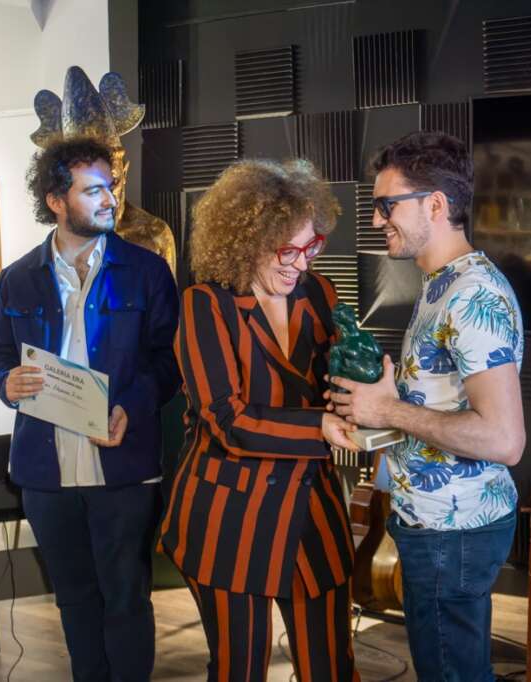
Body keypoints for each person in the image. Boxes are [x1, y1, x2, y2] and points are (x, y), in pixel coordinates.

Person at [328, 131, 526, 682]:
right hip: (436, 526)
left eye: (386, 205)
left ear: (435, 205)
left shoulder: (472, 294)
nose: (376, 220)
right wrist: (383, 403)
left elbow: (504, 439)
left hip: (452, 533)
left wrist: (389, 413)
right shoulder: (443, 283)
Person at [0, 137, 179, 682]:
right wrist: (5, 382)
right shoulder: (17, 277)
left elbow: (170, 362)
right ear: (55, 200)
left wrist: (132, 408)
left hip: (123, 465)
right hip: (46, 472)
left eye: (109, 187)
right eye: (93, 190)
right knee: (73, 600)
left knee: (127, 598)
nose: (110, 199)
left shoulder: (146, 271)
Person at [158, 159, 362, 682]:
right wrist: (319, 427)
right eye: (287, 250)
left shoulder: (320, 292)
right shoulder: (205, 304)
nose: (301, 264)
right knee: (240, 669)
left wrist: (369, 392)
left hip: (312, 507)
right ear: (246, 241)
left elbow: (343, 375)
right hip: (230, 516)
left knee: (332, 668)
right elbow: (227, 419)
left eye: (311, 247)